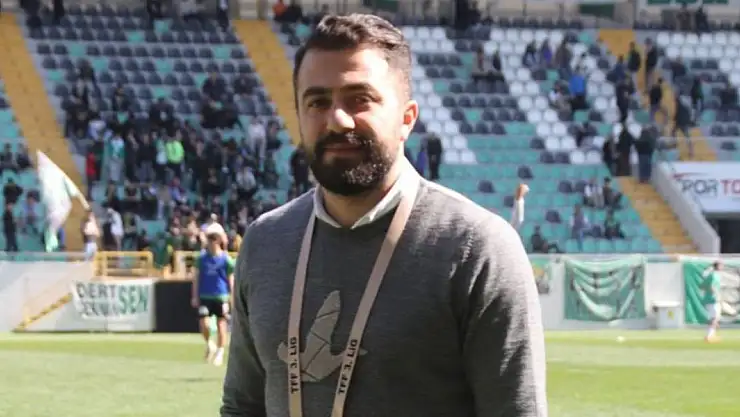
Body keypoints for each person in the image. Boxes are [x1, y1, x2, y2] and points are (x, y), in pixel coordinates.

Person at [221, 14, 547, 417]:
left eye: (359, 99)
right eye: (317, 102)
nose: (337, 119)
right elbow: (243, 406)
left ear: (407, 118)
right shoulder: (265, 242)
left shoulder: (478, 249)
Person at [192, 232, 235, 366]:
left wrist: (232, 296)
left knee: (221, 323)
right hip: (205, 295)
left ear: (217, 242)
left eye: (212, 241)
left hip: (221, 296)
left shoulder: (226, 259)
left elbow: (230, 279)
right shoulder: (202, 259)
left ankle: (220, 352)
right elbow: (196, 278)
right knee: (203, 323)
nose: (209, 244)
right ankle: (210, 344)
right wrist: (195, 295)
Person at [702, 261, 723, 343]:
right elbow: (711, 286)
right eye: (721, 265)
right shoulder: (714, 275)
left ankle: (711, 335)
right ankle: (709, 336)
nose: (722, 267)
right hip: (713, 300)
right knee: (715, 318)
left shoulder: (711, 275)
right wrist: (716, 295)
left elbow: (702, 286)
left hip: (709, 299)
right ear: (718, 266)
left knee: (714, 318)